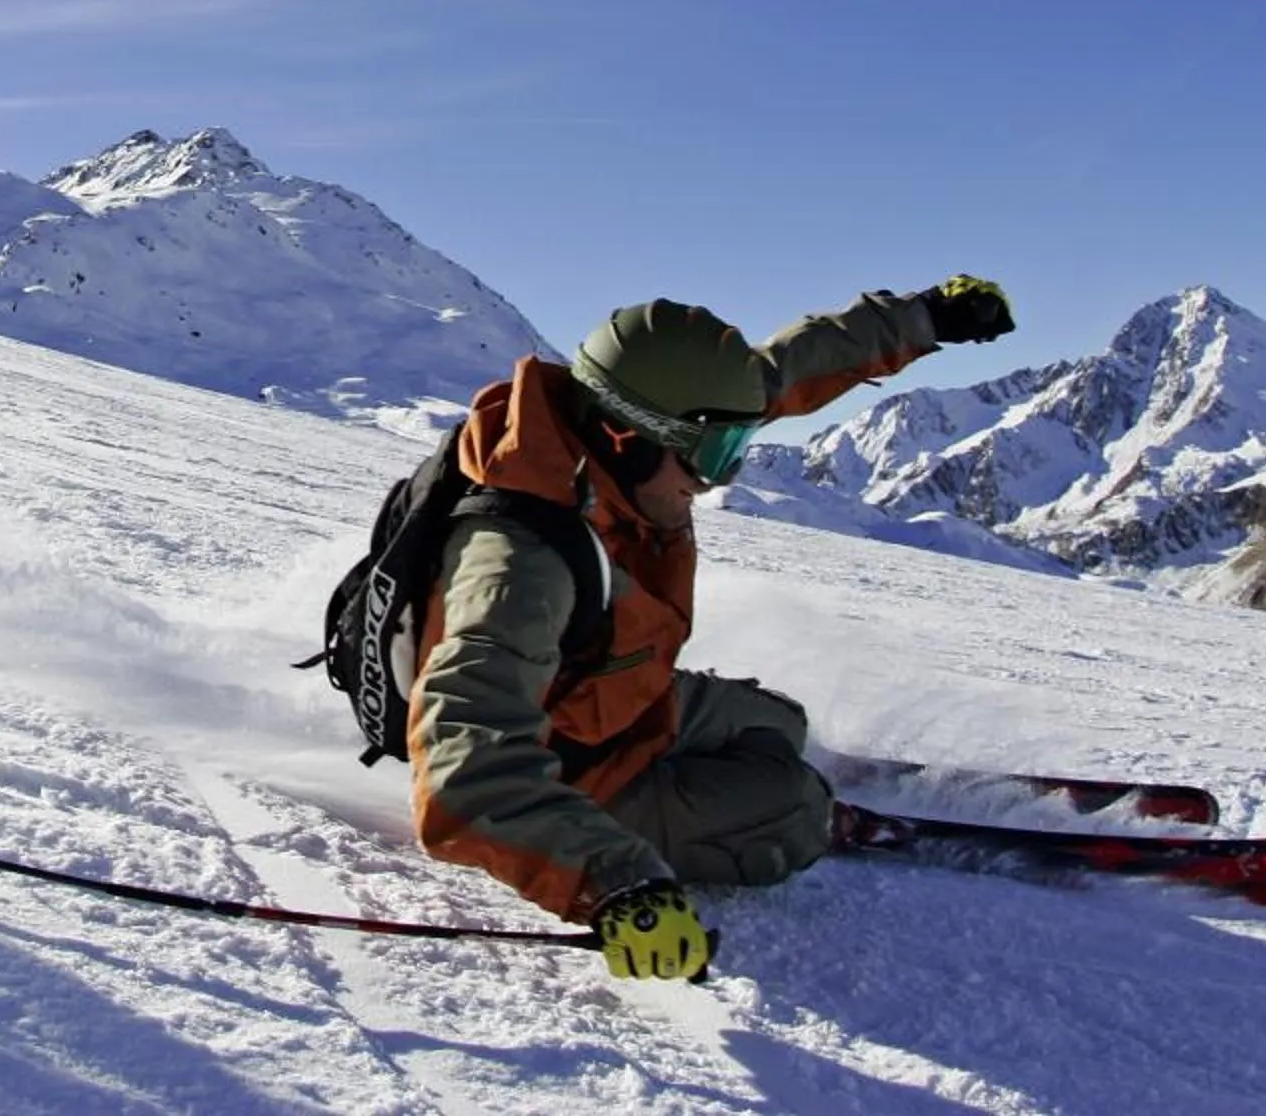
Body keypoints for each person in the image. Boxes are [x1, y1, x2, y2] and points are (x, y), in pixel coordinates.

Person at [407, 278, 1017, 981]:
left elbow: (785, 369)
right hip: (561, 766)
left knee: (780, 723)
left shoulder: (608, 434)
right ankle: (787, 821)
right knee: (792, 811)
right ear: (626, 439)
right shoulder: (521, 567)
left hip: (597, 691)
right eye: (712, 456)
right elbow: (465, 774)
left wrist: (925, 316)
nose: (711, 482)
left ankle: (727, 790)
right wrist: (617, 881)